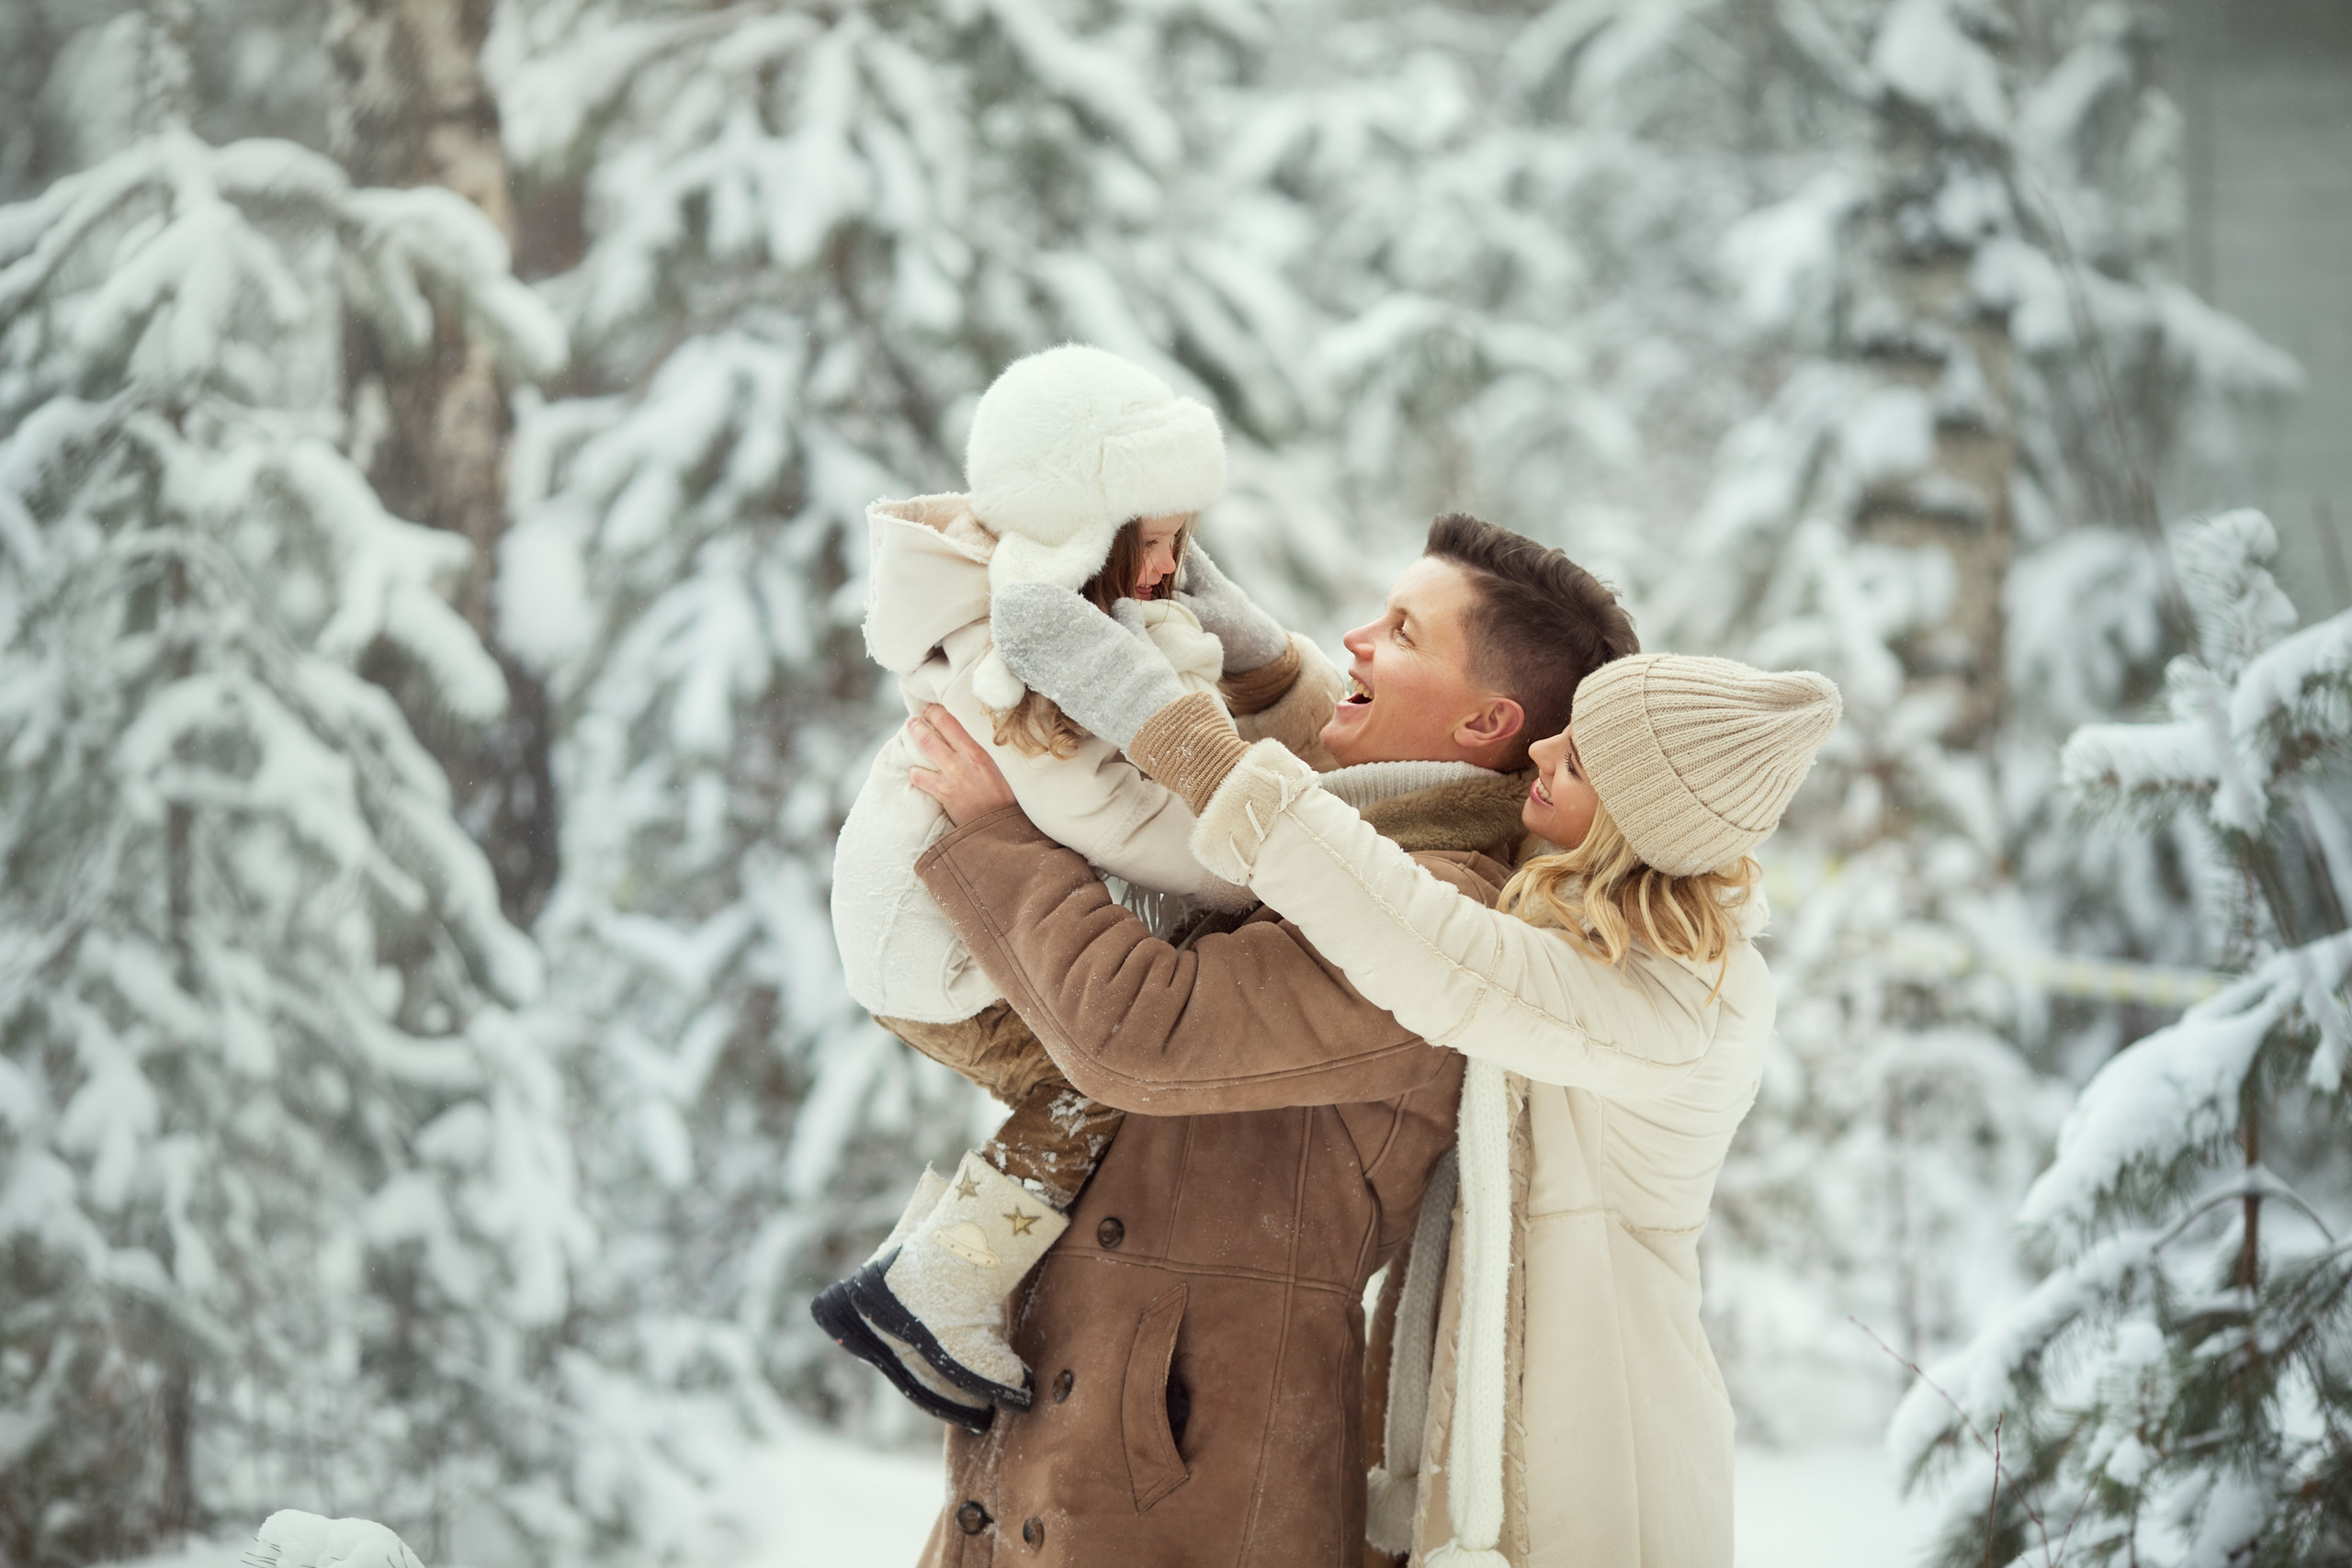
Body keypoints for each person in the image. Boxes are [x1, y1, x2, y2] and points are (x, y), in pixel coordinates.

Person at [987, 585, 1840, 1567]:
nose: (1541, 750)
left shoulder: (1668, 1009)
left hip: (1601, 1454)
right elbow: (1413, 781)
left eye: (1578, 759)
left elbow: (1423, 938)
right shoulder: (1584, 905)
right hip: (1484, 1435)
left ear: (1636, 823)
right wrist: (1261, 658)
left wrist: (1167, 727)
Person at [898, 514, 1638, 1565]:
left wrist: (998, 838)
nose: (1356, 641)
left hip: (1196, 1484)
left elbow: (1140, 1030)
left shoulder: (1438, 926)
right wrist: (1239, 649)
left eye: (1402, 633)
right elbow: (1286, 795)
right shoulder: (1344, 850)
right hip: (1057, 1445)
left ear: (1486, 724)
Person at [817, 345, 1346, 1427]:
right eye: (1158, 543)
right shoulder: (1016, 656)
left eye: (1186, 543)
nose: (1175, 568)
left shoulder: (1076, 617)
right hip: (935, 943)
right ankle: (937, 1289)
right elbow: (1110, 817)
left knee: (1100, 1076)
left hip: (944, 917)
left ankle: (921, 1275)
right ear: (1086, 535)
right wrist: (1262, 865)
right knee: (1108, 1072)